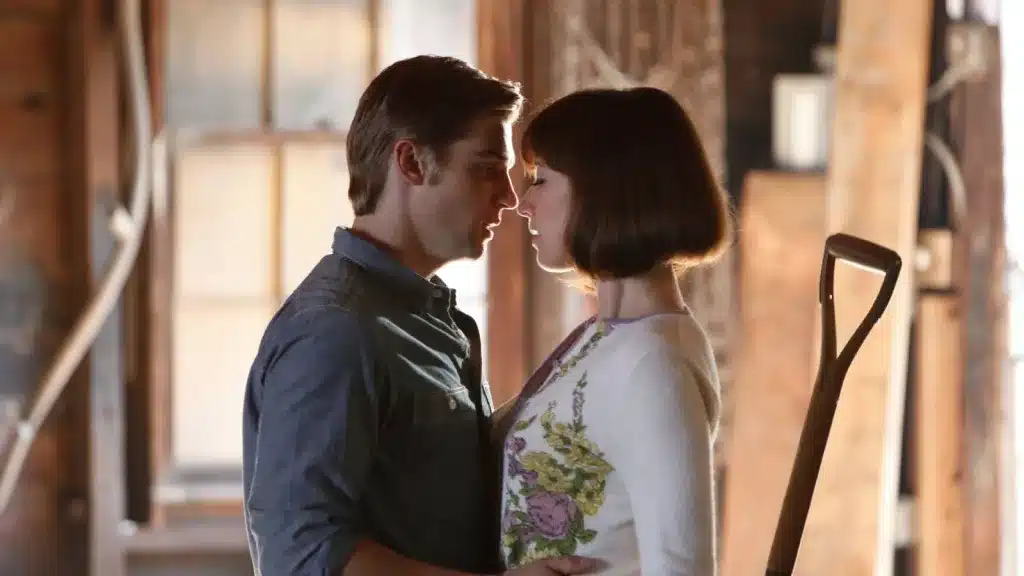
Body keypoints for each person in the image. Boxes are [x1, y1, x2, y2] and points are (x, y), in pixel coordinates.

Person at [242, 55, 597, 576]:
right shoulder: (334, 331)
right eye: (485, 169)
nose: (509, 197)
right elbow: (301, 555)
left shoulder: (435, 321)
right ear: (411, 163)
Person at [497, 87, 731, 575]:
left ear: (602, 192)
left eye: (541, 180)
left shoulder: (654, 366)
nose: (524, 204)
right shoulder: (605, 336)